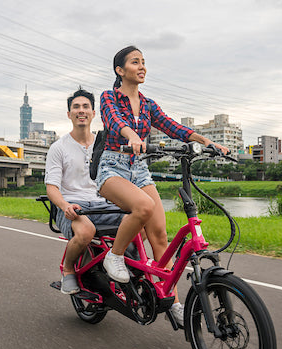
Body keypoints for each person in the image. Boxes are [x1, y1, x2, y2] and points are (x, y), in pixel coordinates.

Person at [96, 45, 229, 324]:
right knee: (143, 207)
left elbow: (171, 126)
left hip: (139, 170)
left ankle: (174, 303)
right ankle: (114, 256)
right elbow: (113, 119)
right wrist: (132, 135)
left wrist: (206, 141)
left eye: (144, 62)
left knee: (159, 236)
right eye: (135, 62)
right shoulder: (109, 96)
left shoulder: (148, 104)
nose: (142, 66)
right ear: (120, 71)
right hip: (112, 168)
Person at [45, 87, 124, 295]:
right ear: (69, 114)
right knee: (86, 231)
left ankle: (117, 261)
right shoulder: (58, 147)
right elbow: (52, 187)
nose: (81, 110)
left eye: (86, 106)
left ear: (93, 113)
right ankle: (69, 270)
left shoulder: (105, 144)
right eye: (76, 107)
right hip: (72, 207)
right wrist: (64, 206)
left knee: (140, 220)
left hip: (102, 205)